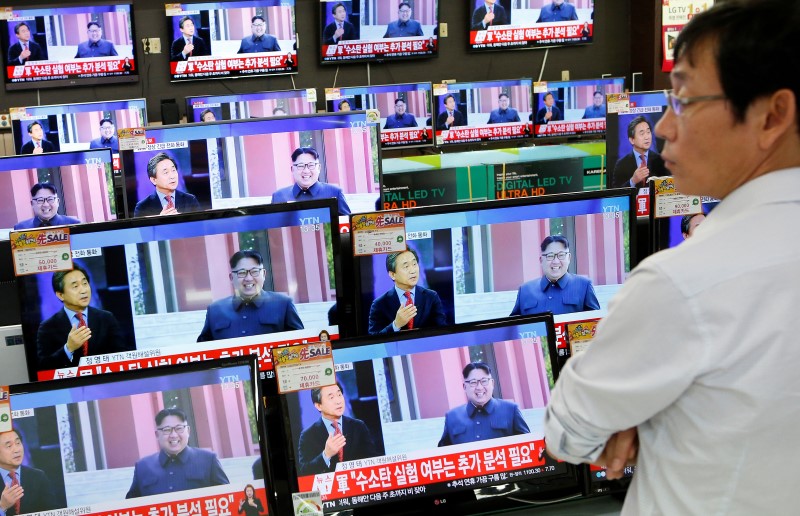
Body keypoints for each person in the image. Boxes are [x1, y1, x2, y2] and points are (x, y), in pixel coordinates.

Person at [544, 2, 800, 514]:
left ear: (772, 115)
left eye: (683, 100)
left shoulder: (683, 282)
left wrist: (649, 414)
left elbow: (569, 431)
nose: (661, 128)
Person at [36, 265, 129, 371]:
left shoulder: (107, 318)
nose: (83, 290)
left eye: (85, 283)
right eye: (75, 286)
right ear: (61, 295)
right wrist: (69, 348)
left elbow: (122, 356)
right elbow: (44, 368)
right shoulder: (47, 327)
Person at [197, 250, 304, 341]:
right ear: (231, 278)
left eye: (254, 271)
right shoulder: (215, 310)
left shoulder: (283, 304)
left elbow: (301, 345)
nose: (248, 278)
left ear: (264, 274)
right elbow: (202, 352)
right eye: (242, 273)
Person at [126, 408, 229, 498]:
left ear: (188, 431)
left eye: (179, 428)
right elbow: (131, 507)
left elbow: (228, 499)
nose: (174, 435)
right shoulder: (143, 466)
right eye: (167, 430)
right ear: (157, 435)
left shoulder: (208, 460)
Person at [438, 362, 530, 447]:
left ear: (492, 383)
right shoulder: (452, 417)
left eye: (484, 381)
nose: (479, 387)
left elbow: (528, 447)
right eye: (473, 382)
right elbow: (442, 455)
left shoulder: (511, 409)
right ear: (465, 387)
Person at [296, 383, 379, 476]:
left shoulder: (359, 426)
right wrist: (326, 455)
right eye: (331, 397)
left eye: (339, 395)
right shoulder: (308, 435)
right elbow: (305, 471)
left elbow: (373, 461)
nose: (338, 401)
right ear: (319, 406)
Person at [510, 235, 600, 316]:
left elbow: (596, 324)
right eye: (550, 256)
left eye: (561, 255)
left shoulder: (584, 285)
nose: (556, 261)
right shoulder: (525, 290)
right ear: (541, 260)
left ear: (569, 258)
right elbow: (513, 328)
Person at [368, 249, 447, 334]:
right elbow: (374, 340)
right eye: (406, 266)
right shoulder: (379, 304)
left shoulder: (431, 297)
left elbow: (442, 331)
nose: (413, 271)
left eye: (414, 264)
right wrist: (396, 325)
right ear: (392, 274)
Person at [271, 147, 352, 215]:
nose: (306, 171)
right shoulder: (279, 196)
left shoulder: (334, 192)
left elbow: (347, 226)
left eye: (311, 165)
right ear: (292, 169)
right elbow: (274, 229)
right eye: (301, 166)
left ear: (319, 168)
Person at [0, 429, 58, 514]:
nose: (17, 450)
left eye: (18, 443)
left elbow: (53, 511)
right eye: (9, 446)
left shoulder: (38, 477)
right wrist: (2, 506)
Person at [133, 152, 201, 217]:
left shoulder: (190, 200)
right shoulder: (142, 207)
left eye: (173, 170)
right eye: (166, 172)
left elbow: (200, 226)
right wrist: (160, 220)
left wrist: (181, 220)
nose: (172, 176)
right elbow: (142, 229)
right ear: (154, 180)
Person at [610, 115, 668, 188]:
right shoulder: (621, 164)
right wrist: (633, 181)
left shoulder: (660, 161)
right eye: (642, 133)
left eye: (648, 132)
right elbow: (616, 195)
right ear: (632, 140)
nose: (647, 137)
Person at [14, 183, 81, 230]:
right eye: (40, 200)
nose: (46, 204)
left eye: (50, 199)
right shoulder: (21, 228)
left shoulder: (74, 224)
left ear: (57, 202)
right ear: (32, 204)